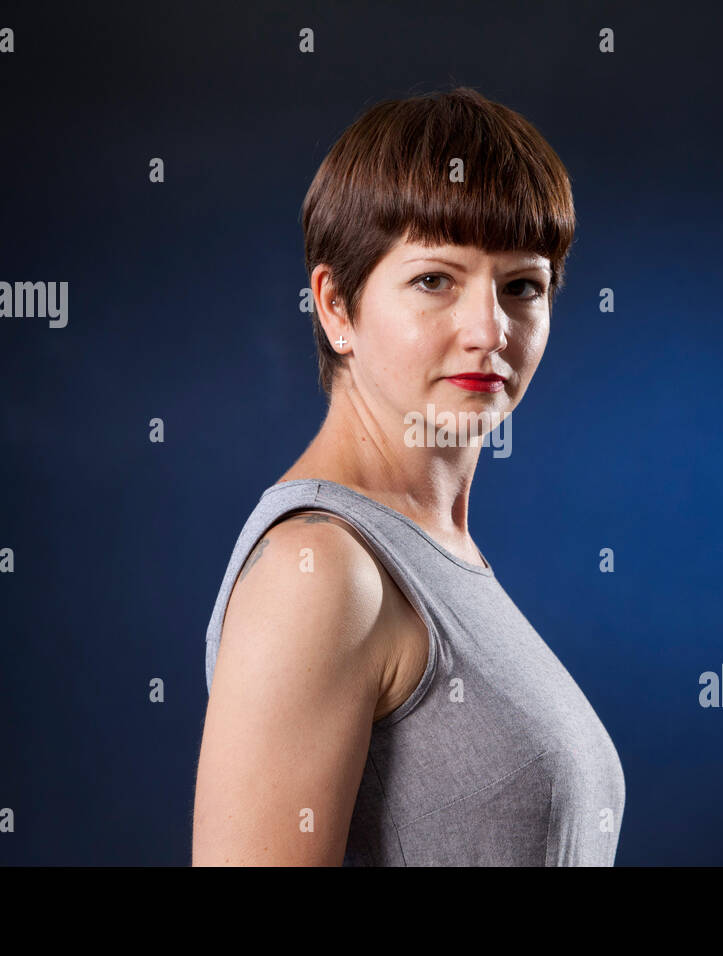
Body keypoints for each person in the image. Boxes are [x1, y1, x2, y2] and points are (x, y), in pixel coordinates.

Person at [192, 86, 625, 865]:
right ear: (336, 307)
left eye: (521, 286)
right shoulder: (321, 572)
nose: (489, 330)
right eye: (435, 280)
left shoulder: (435, 551)